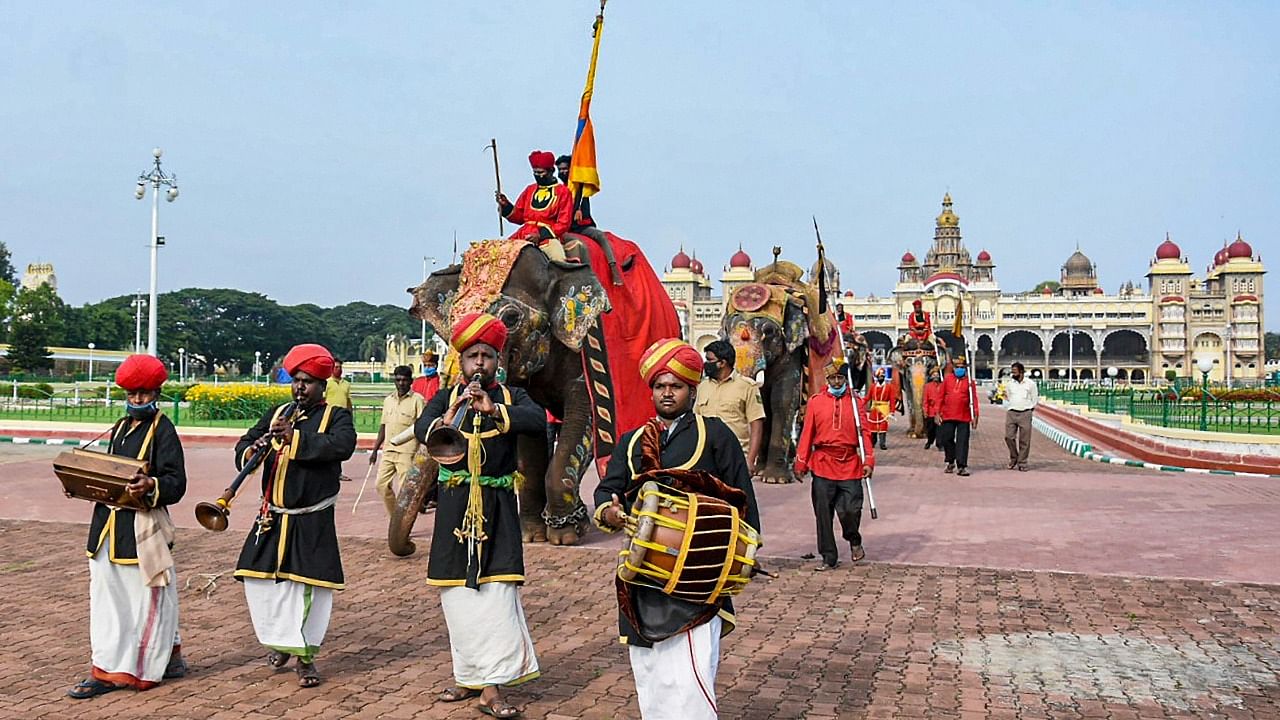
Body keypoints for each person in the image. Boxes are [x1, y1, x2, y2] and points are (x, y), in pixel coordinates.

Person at [594, 338, 761, 720]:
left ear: (692, 389)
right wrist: (608, 511)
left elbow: (743, 496)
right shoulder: (631, 440)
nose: (667, 393)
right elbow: (607, 489)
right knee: (649, 670)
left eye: (676, 386)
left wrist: (743, 555)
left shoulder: (716, 435)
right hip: (643, 575)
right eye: (660, 386)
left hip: (699, 574)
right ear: (651, 389)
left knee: (691, 671)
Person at [413, 312, 545, 719]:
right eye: (472, 357)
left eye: (487, 356)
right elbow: (422, 429)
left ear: (497, 362)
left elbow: (538, 422)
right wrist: (448, 415)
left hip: (497, 507)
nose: (480, 365)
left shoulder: (511, 396)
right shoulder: (446, 396)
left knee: (496, 595)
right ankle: (467, 675)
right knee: (456, 595)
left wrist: (494, 411)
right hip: (454, 506)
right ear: (461, 362)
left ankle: (492, 686)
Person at [233, 343, 356, 689]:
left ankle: (304, 657)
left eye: (308, 381)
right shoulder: (278, 412)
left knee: (308, 590)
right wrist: (251, 450)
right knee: (261, 582)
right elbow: (246, 440)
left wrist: (297, 439)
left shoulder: (337, 416)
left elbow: (341, 446)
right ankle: (281, 641)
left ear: (322, 385)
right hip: (271, 517)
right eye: (295, 380)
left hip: (310, 519)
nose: (300, 387)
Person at [67, 354, 188, 699]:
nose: (138, 400)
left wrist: (151, 486)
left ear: (157, 393)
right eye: (133, 394)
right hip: (106, 528)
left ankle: (138, 669)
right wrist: (79, 482)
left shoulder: (163, 429)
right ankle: (108, 665)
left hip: (139, 531)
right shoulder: (120, 427)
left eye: (145, 394)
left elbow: (176, 483)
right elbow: (109, 475)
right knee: (107, 602)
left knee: (143, 600)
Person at [793, 355, 875, 570]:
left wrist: (868, 460)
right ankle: (828, 556)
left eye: (840, 378)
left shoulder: (857, 403)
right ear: (826, 380)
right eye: (833, 379)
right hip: (822, 462)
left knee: (851, 510)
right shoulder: (815, 402)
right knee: (823, 513)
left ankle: (853, 538)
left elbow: (864, 434)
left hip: (850, 463)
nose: (837, 383)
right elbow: (807, 434)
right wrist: (801, 463)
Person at [693, 339, 766, 475]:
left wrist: (750, 461)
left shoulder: (747, 387)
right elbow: (695, 421)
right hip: (705, 457)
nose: (706, 364)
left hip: (735, 457)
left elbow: (756, 424)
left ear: (722, 363)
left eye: (709, 360)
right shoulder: (702, 387)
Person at [496, 150, 573, 261]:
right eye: (535, 173)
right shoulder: (529, 189)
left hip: (547, 238)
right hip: (523, 234)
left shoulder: (563, 192)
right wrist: (506, 206)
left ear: (551, 171)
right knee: (498, 255)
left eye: (541, 172)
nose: (538, 176)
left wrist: (540, 235)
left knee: (559, 261)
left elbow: (563, 223)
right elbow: (519, 217)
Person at [369, 365, 425, 515]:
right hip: (388, 450)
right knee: (381, 485)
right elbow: (383, 426)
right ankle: (395, 518)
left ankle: (402, 524)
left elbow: (422, 427)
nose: (401, 383)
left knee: (404, 490)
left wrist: (422, 450)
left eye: (405, 380)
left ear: (411, 381)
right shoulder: (388, 400)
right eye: (398, 380)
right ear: (394, 380)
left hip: (407, 451)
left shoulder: (417, 400)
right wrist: (375, 450)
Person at [936, 355, 980, 476]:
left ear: (966, 368)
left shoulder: (970, 382)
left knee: (963, 441)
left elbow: (974, 399)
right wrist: (937, 412)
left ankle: (962, 466)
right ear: (954, 368)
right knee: (946, 439)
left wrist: (975, 415)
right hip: (948, 414)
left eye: (962, 367)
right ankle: (951, 460)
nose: (960, 369)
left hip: (964, 416)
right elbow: (940, 396)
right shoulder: (947, 379)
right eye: (957, 367)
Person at [1002, 361, 1039, 471]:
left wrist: (1030, 408)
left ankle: (1022, 462)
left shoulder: (1030, 384)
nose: (1013, 373)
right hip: (1012, 412)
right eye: (1012, 371)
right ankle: (1014, 457)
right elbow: (1008, 396)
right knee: (1009, 437)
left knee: (1024, 440)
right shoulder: (1010, 384)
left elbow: (1034, 398)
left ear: (1021, 372)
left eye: (1015, 371)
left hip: (1025, 413)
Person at [866, 367, 897, 450]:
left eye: (882, 376)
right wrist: (859, 403)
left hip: (884, 409)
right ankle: (872, 442)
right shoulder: (873, 386)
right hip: (874, 409)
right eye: (879, 376)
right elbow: (867, 397)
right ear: (877, 377)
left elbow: (892, 400)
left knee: (883, 426)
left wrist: (892, 411)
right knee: (873, 427)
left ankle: (882, 443)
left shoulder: (889, 387)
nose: (881, 378)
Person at [922, 366, 943, 450]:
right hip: (931, 410)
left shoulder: (943, 385)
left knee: (940, 429)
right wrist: (925, 411)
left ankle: (939, 444)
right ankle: (929, 441)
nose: (936, 376)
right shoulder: (927, 386)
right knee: (931, 429)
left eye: (937, 375)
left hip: (940, 411)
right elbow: (925, 400)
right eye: (934, 375)